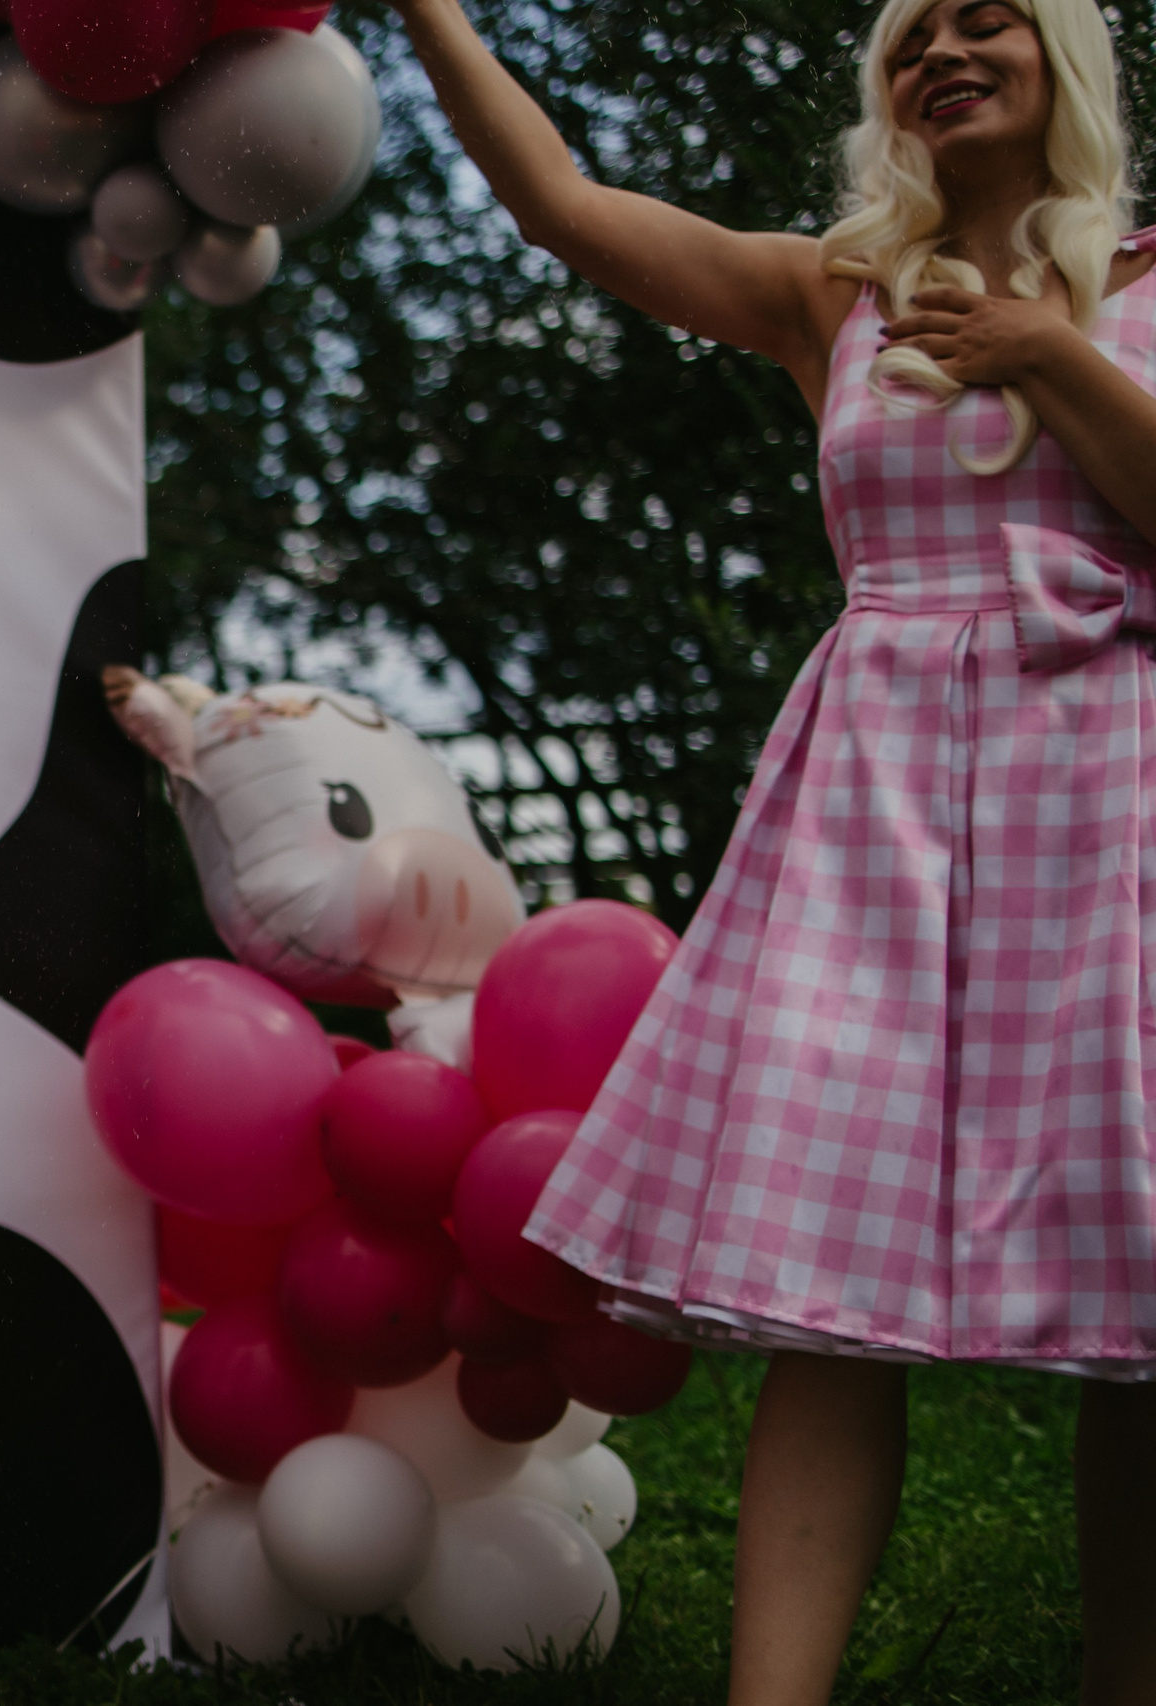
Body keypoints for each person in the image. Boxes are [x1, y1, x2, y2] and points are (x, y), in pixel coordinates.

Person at [385, 0, 1156, 1699]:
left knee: (1143, 1308)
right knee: (825, 1284)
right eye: (914, 28)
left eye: (990, 17)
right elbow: (570, 211)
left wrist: (1045, 351)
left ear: (1068, 59)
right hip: (874, 824)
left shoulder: (1155, 280)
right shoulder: (841, 291)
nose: (946, 46)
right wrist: (430, 16)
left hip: (1114, 822)